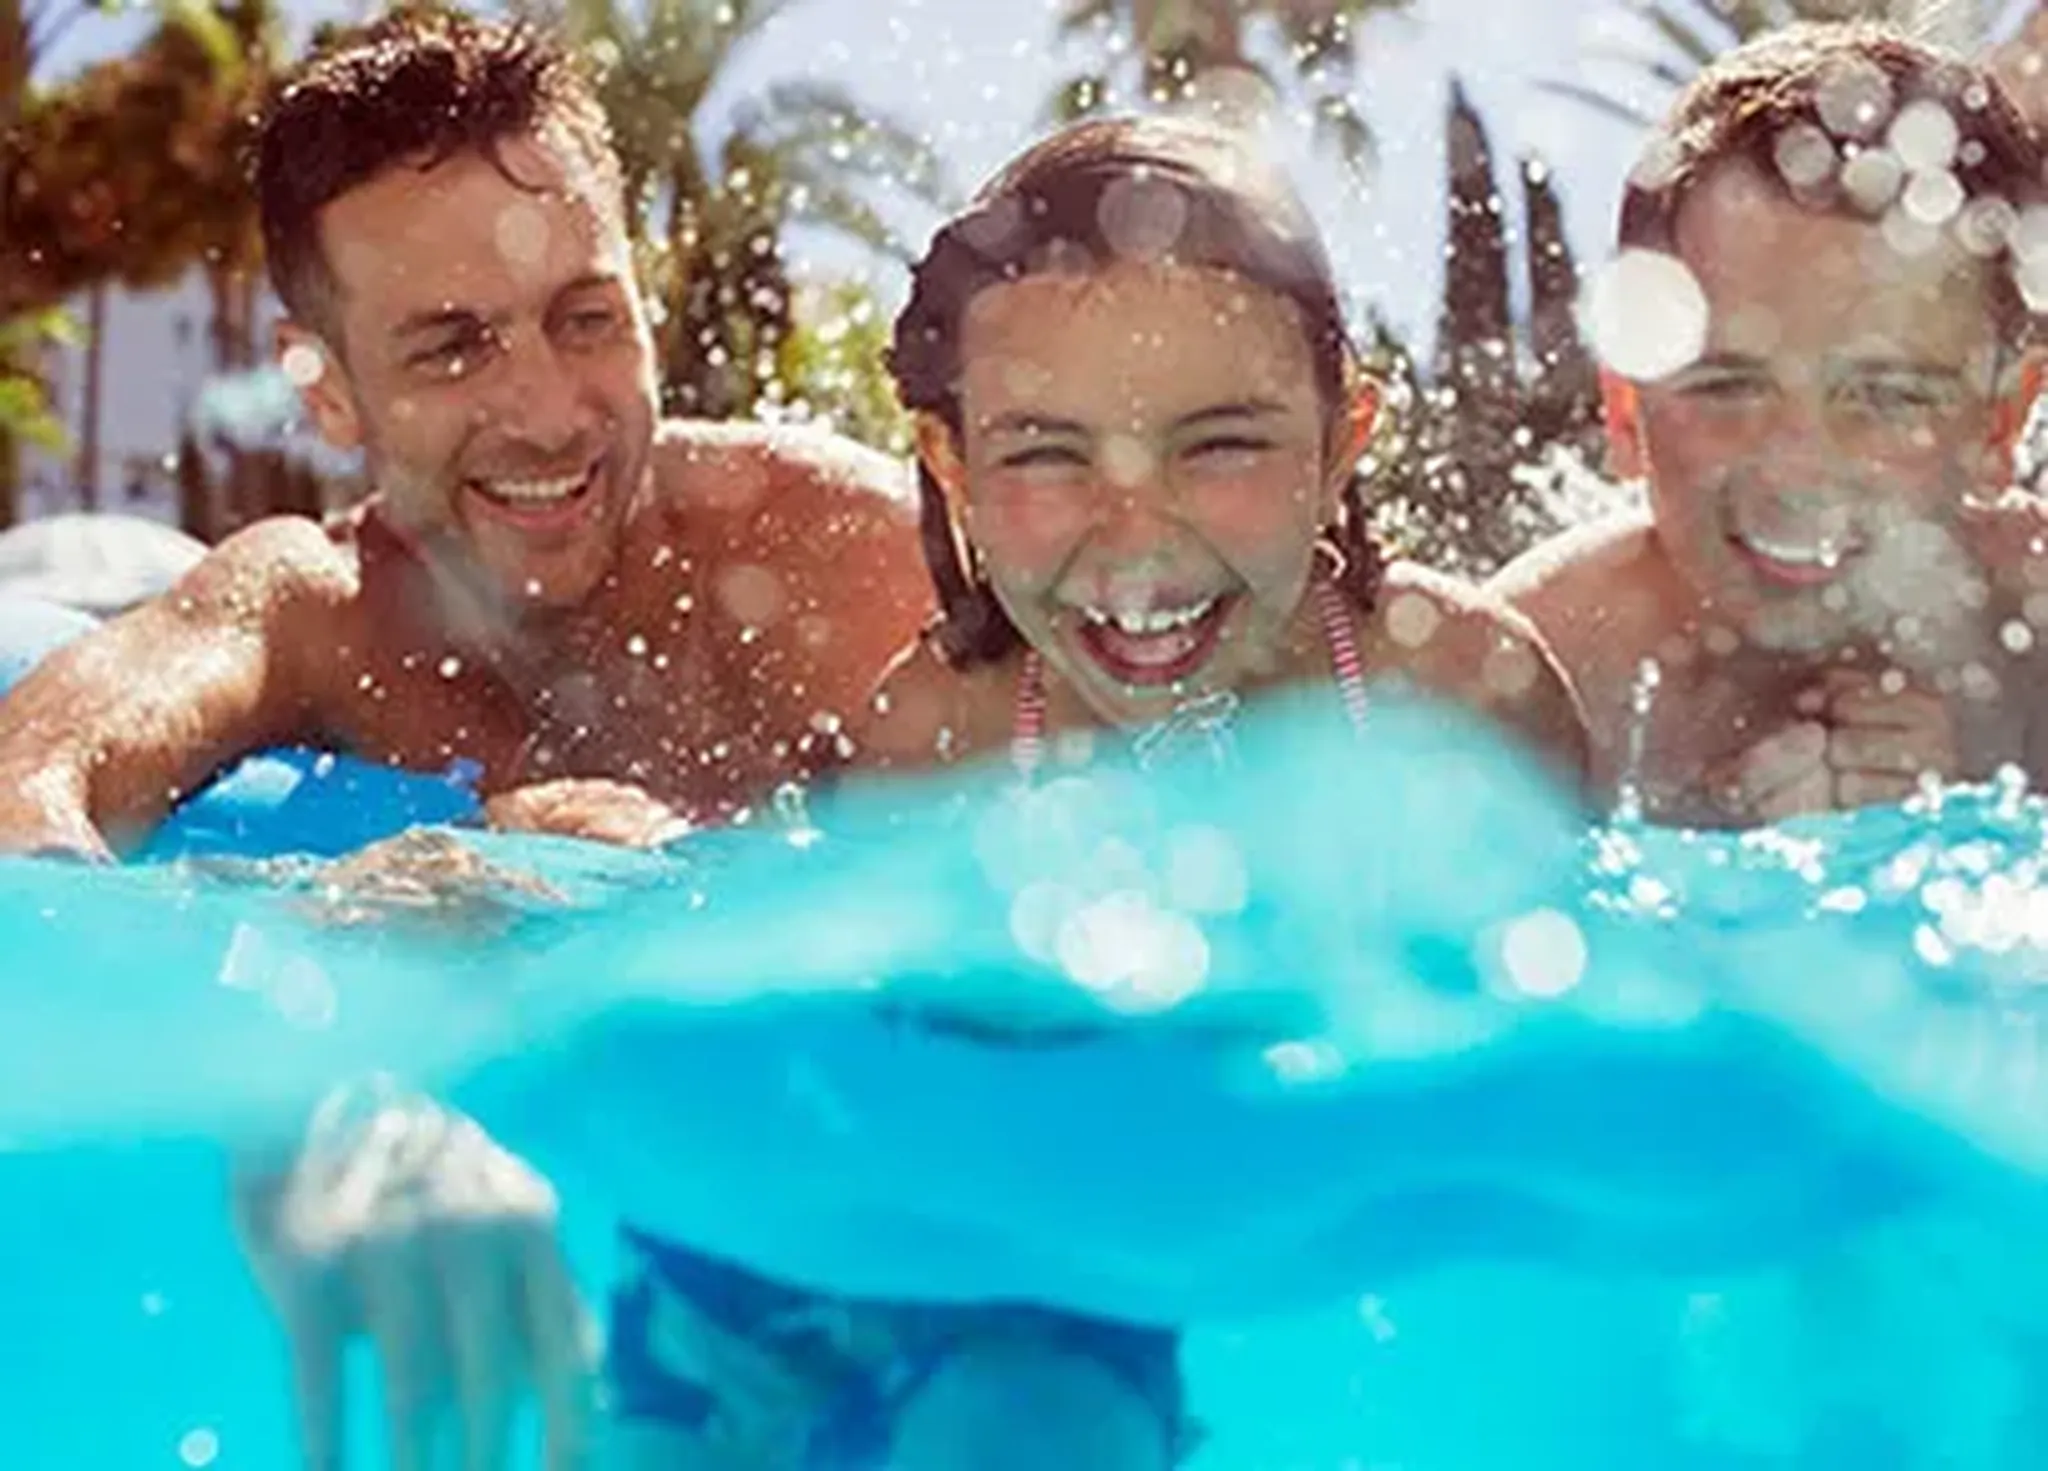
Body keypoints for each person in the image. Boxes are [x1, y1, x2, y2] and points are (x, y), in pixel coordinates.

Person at [0, 11, 932, 1467]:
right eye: (451, 346)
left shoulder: (818, 553)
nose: (547, 411)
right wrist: (315, 1052)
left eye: (585, 315)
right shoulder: (309, 607)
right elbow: (21, 803)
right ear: (327, 389)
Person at [595, 112, 1591, 1471]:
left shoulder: (1462, 694)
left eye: (1221, 445)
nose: (1138, 539)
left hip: (1171, 1220)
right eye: (1048, 456)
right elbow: (821, 1041)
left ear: (1344, 432)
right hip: (943, 1196)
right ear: (951, 466)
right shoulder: (932, 738)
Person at [1489, 23, 2048, 828]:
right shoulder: (1540, 680)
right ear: (1625, 410)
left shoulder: (2029, 640)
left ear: (1999, 427)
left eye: (1887, 397)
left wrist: (1961, 812)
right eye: (1727, 386)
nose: (1797, 469)